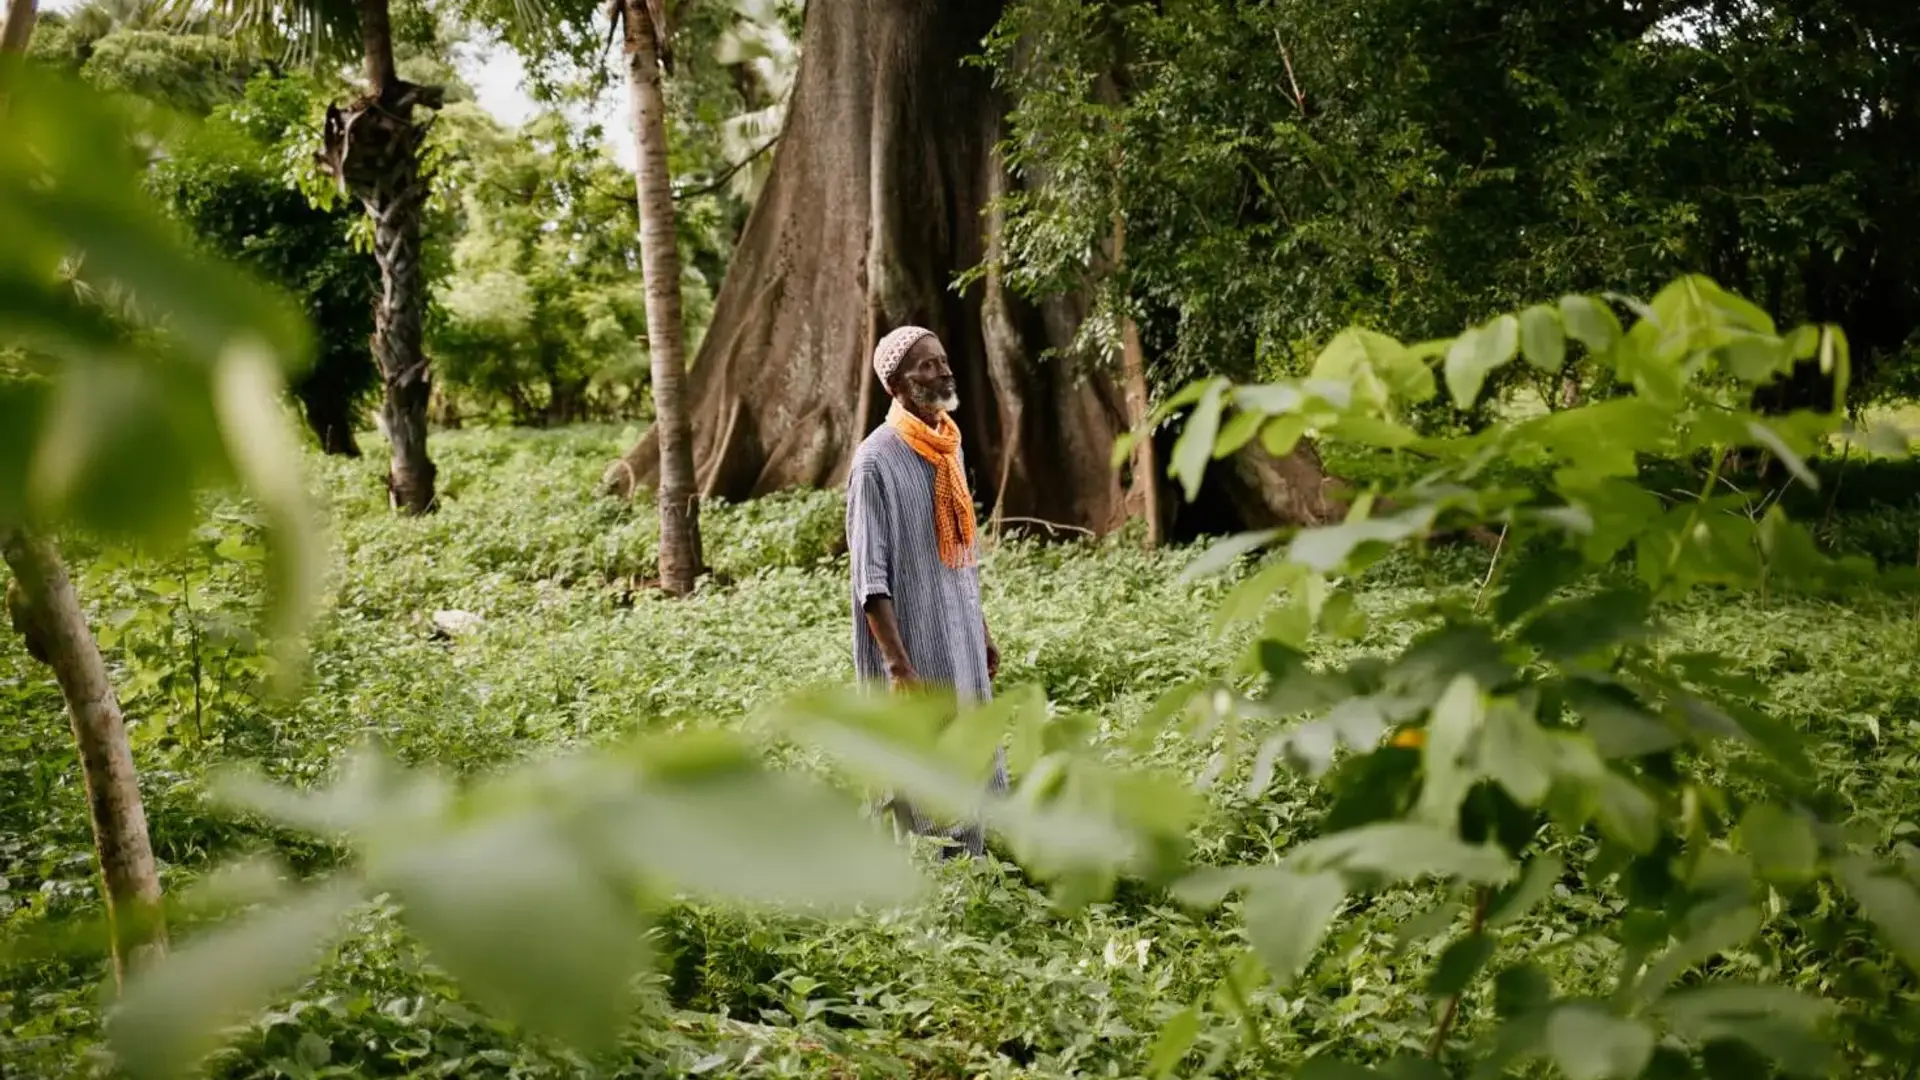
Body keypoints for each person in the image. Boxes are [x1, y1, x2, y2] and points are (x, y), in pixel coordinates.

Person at [847, 325, 1009, 858]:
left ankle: (974, 873)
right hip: (913, 646)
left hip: (958, 635)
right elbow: (870, 581)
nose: (943, 372)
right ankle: (920, 885)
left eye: (943, 361)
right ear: (895, 384)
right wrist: (899, 667)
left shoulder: (949, 447)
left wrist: (980, 631)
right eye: (927, 366)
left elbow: (960, 559)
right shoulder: (875, 461)